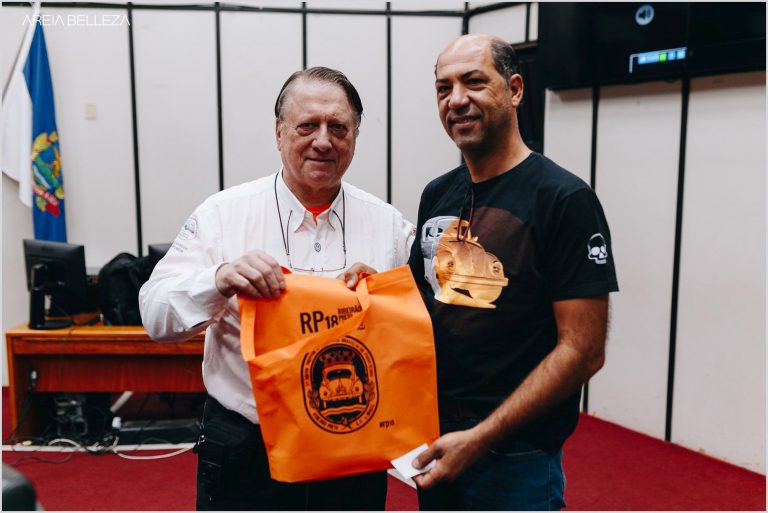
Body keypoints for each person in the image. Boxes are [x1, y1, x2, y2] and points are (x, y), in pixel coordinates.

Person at [139, 66, 414, 511]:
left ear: (355, 136)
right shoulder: (223, 215)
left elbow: (417, 335)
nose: (323, 141)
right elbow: (155, 315)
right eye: (307, 126)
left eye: (338, 128)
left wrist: (386, 298)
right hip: (246, 447)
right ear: (279, 132)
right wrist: (218, 279)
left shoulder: (388, 226)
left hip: (353, 444)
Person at [408, 34, 619, 510]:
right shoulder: (437, 193)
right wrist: (373, 286)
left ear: (516, 90)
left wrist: (480, 437)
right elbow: (425, 303)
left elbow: (583, 351)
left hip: (515, 455)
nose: (456, 99)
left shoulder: (564, 199)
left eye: (474, 82)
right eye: (443, 88)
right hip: (436, 439)